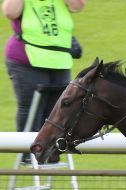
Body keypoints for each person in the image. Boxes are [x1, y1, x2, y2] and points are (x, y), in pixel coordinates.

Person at [3, 0, 85, 163]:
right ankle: (28, 154)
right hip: (26, 59)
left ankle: (50, 153)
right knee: (31, 108)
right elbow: (10, 12)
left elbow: (78, 5)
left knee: (60, 109)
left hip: (59, 60)